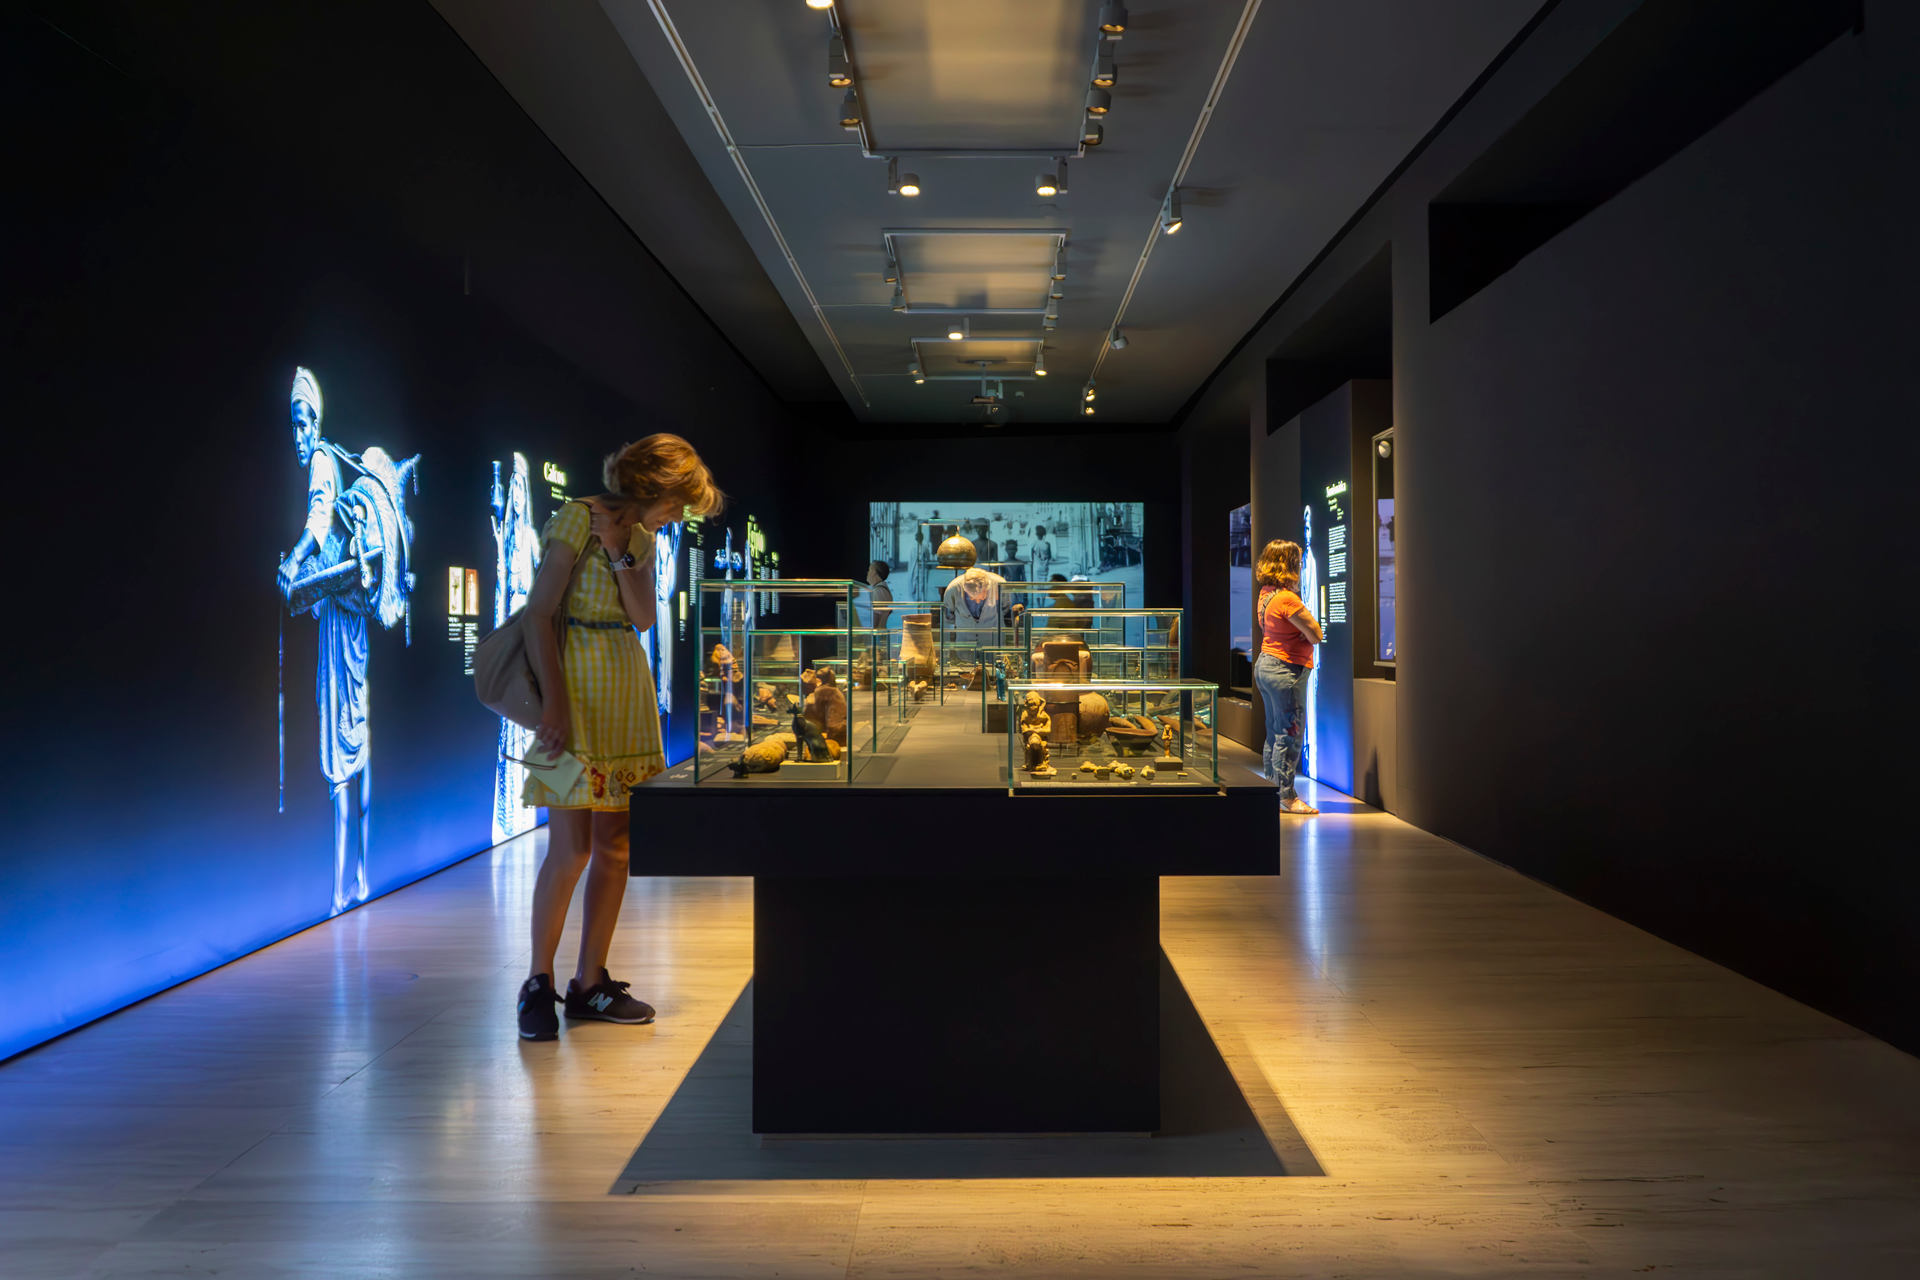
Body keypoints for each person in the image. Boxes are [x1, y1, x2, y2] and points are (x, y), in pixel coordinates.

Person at [515, 434, 724, 1041]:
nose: (678, 515)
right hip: (571, 697)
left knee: (616, 848)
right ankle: (537, 984)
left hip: (626, 693)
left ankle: (590, 982)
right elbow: (538, 613)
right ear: (652, 487)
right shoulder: (574, 518)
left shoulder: (640, 539)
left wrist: (618, 552)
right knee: (569, 849)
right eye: (676, 503)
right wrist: (554, 703)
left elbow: (644, 618)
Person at [1252, 539, 1323, 815]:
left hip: (1266, 665)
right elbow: (1315, 634)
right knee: (1289, 735)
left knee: (1274, 733)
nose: (1302, 566)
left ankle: (1273, 791)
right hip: (1286, 670)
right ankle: (1287, 797)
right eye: (1299, 561)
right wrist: (1305, 633)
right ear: (1289, 565)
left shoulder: (1266, 594)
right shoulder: (1286, 599)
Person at [866, 559, 893, 631]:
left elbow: (875, 621)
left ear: (874, 571)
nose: (867, 573)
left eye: (869, 570)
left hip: (877, 635)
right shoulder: (882, 590)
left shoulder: (878, 591)